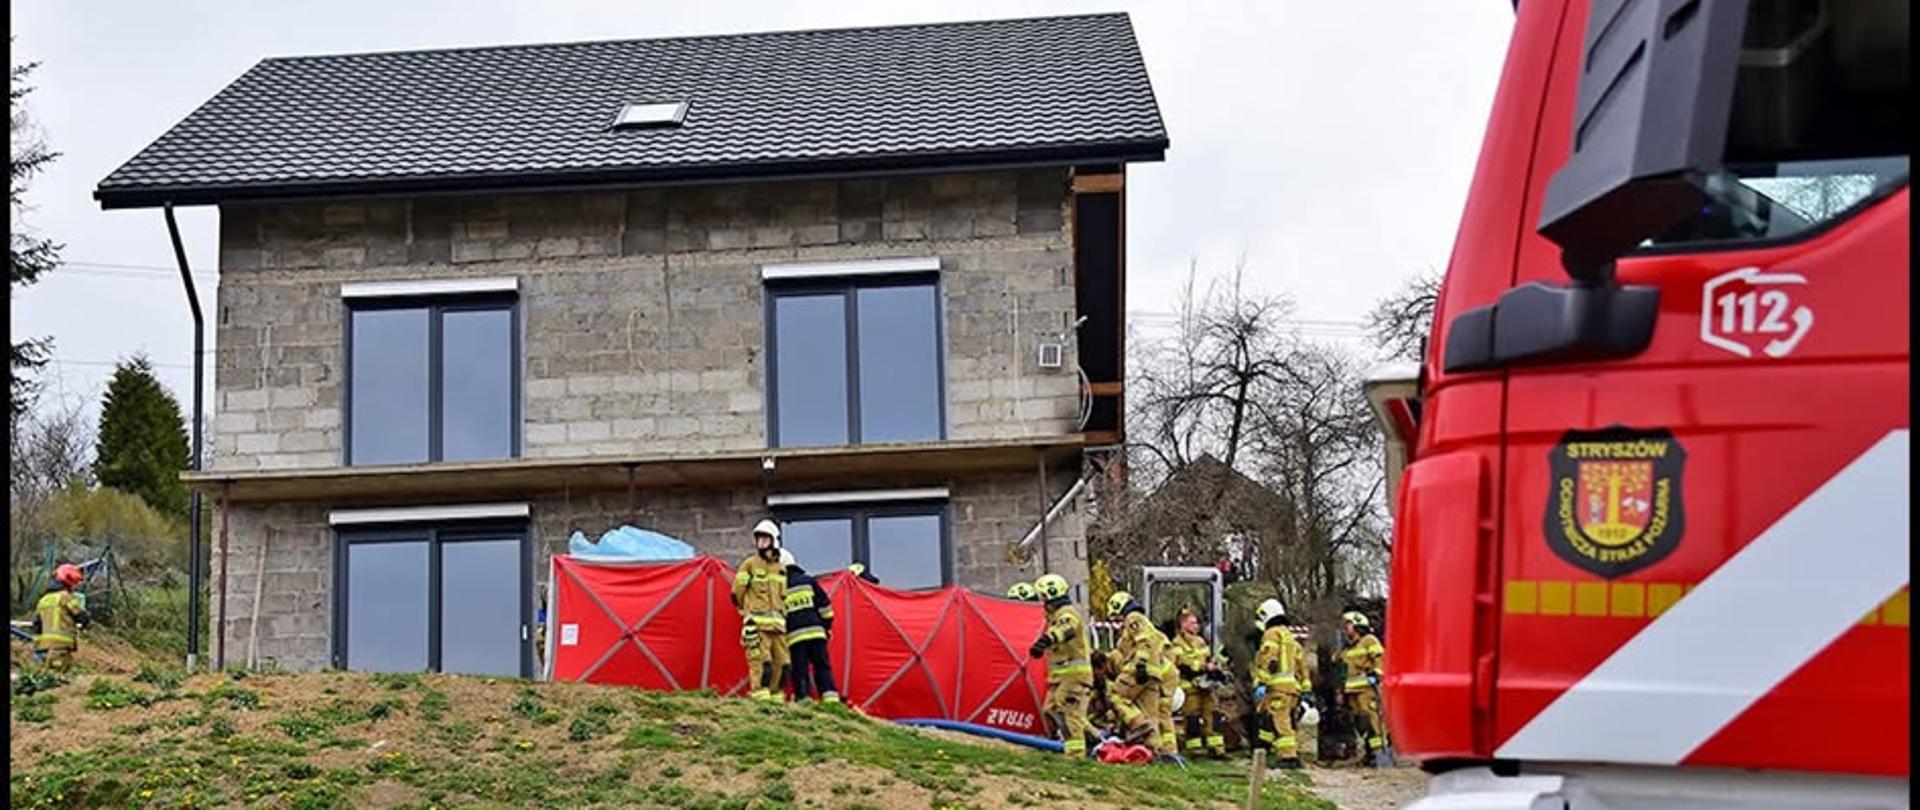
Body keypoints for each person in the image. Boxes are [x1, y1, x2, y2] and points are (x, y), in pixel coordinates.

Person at [1027, 574, 1094, 757]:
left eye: (1043, 597)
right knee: (1051, 709)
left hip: (1074, 676)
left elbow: (1068, 629)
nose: (1042, 602)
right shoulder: (1055, 616)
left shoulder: (1066, 613)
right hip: (1060, 677)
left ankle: (1075, 755)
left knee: (1068, 712)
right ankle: (1093, 739)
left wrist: (1047, 639)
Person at [1103, 591, 1176, 754]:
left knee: (1116, 696)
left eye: (1117, 617)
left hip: (1138, 668)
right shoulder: (1147, 624)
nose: (1119, 623)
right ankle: (1157, 751)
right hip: (1154, 675)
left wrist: (1141, 663)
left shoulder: (1133, 618)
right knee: (1150, 715)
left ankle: (1139, 724)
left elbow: (1144, 641)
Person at [732, 519, 791, 701]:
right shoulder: (749, 564)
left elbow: (786, 597)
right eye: (759, 539)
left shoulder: (782, 568)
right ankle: (760, 694)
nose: (761, 543)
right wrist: (746, 614)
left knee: (784, 664)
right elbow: (737, 592)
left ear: (774, 541)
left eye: (765, 539)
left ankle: (775, 696)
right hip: (757, 626)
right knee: (761, 662)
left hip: (779, 628)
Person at [1251, 597, 1311, 768]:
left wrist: (1261, 682)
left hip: (1277, 687)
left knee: (1281, 720)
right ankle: (1263, 747)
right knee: (1274, 718)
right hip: (1292, 688)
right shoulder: (1290, 637)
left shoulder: (1271, 634)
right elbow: (1303, 666)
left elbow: (1268, 658)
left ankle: (1288, 757)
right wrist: (1306, 689)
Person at [781, 550, 840, 704]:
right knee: (822, 666)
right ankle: (830, 699)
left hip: (795, 638)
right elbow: (825, 607)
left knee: (800, 670)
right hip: (817, 634)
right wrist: (826, 627)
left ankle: (804, 698)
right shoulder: (808, 581)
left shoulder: (778, 588)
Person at [1169, 606, 1227, 758]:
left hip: (1206, 687)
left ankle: (1217, 749)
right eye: (1193, 623)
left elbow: (1208, 658)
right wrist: (1203, 667)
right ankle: (1194, 750)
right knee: (1192, 719)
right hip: (1190, 688)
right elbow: (1182, 664)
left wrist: (1213, 668)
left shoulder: (1201, 641)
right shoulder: (1177, 643)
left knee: (1213, 716)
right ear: (1183, 625)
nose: (1197, 626)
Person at [1339, 610, 1388, 766]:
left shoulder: (1369, 640)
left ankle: (1380, 756)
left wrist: (1377, 674)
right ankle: (1368, 754)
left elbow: (1381, 659)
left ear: (1358, 625)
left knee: (1373, 721)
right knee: (1361, 724)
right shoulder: (1348, 648)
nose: (1346, 628)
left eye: (1349, 624)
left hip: (1367, 690)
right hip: (1352, 692)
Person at [32, 564, 90, 672]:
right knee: (59, 680)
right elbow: (81, 616)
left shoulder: (43, 600)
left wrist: (38, 648)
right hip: (60, 647)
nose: (75, 587)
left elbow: (36, 624)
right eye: (74, 583)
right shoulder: (65, 597)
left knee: (47, 678)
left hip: (44, 648)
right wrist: (85, 623)